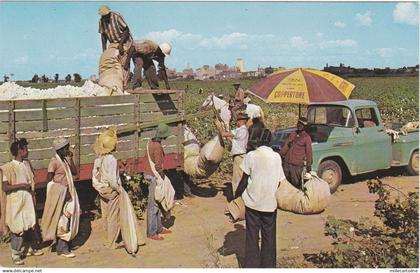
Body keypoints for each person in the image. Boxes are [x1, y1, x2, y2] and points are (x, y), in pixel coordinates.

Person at [236, 126, 285, 268]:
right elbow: (280, 181)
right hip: (270, 204)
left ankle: (251, 266)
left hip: (253, 204)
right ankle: (268, 266)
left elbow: (244, 180)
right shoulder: (276, 157)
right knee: (269, 239)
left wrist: (237, 196)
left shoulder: (251, 156)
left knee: (252, 237)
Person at [92, 128, 144, 255]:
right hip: (111, 190)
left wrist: (99, 187)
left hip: (102, 190)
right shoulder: (111, 159)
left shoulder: (98, 159)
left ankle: (107, 238)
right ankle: (112, 242)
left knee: (105, 214)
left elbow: (94, 176)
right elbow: (112, 179)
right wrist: (119, 189)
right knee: (114, 216)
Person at [0, 139, 43, 265]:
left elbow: (31, 182)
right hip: (16, 202)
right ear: (20, 151)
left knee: (30, 224)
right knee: (17, 227)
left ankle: (29, 248)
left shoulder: (27, 164)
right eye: (25, 148)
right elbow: (5, 187)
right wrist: (21, 186)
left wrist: (32, 193)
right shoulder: (8, 168)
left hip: (27, 200)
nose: (27, 151)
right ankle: (15, 253)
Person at [40, 137, 79, 258]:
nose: (68, 150)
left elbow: (74, 172)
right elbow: (49, 180)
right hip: (60, 195)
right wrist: (60, 191)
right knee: (63, 220)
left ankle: (63, 245)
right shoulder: (54, 162)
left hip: (68, 193)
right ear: (60, 150)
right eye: (66, 148)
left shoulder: (65, 160)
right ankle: (62, 248)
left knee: (68, 218)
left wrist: (71, 158)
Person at [143, 124, 173, 240]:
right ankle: (151, 232)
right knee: (153, 205)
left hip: (149, 174)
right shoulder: (157, 147)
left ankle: (159, 227)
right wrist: (164, 179)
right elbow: (158, 166)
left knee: (158, 202)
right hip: (154, 177)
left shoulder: (150, 142)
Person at [215, 112, 249, 200]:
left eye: (237, 120)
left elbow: (224, 134)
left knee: (237, 179)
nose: (236, 122)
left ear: (241, 121)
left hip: (239, 156)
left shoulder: (241, 130)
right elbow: (233, 140)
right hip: (241, 155)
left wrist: (219, 126)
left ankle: (236, 199)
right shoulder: (243, 130)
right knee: (240, 177)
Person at [98, 5, 133, 89]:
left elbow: (126, 30)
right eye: (103, 16)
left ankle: (124, 86)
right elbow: (103, 35)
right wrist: (104, 50)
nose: (105, 18)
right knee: (108, 61)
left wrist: (121, 44)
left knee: (124, 63)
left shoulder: (117, 16)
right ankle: (111, 84)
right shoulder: (101, 21)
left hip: (124, 41)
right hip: (113, 43)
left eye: (106, 16)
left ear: (109, 13)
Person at [279, 117, 313, 189]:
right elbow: (286, 146)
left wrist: (308, 167)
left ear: (305, 127)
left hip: (296, 167)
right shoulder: (293, 134)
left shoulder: (307, 138)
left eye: (302, 124)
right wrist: (279, 156)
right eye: (299, 123)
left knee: (296, 187)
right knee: (286, 186)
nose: (300, 125)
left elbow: (309, 153)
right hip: (287, 165)